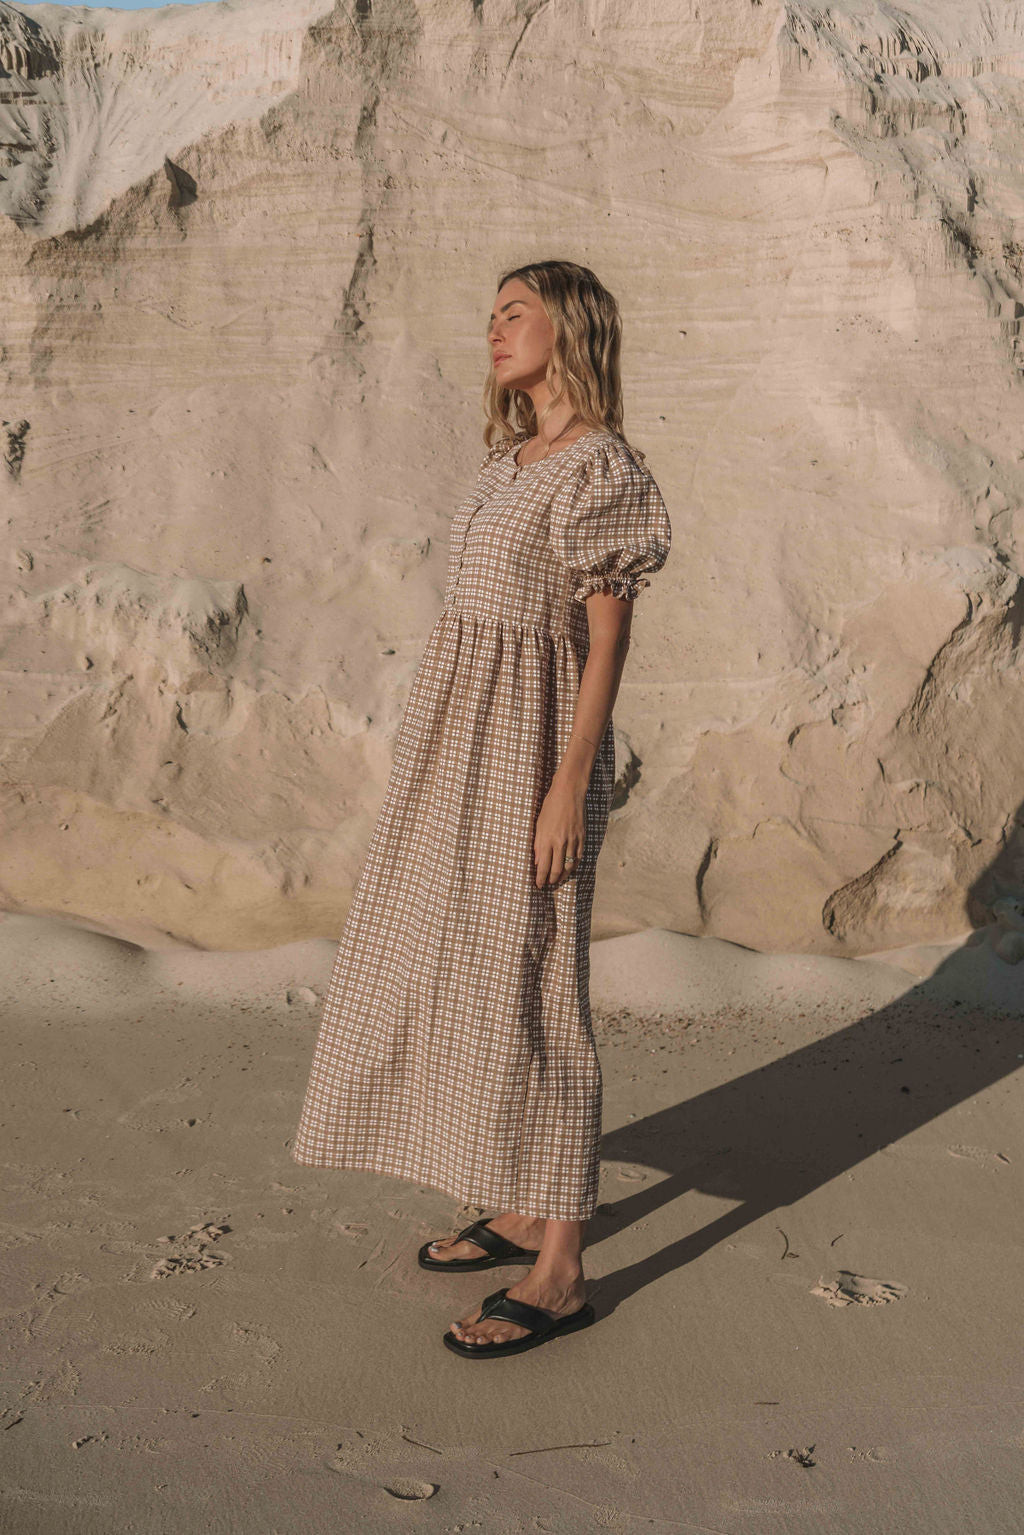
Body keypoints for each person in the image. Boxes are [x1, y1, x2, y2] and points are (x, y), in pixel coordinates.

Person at [292, 258, 672, 1358]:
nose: (495, 329)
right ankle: (516, 1196)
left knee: (541, 978)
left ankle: (560, 1267)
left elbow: (606, 640)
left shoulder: (601, 469)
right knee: (456, 959)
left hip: (532, 751)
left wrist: (567, 782)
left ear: (570, 328)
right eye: (492, 314)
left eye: (515, 312)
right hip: (455, 744)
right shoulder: (507, 462)